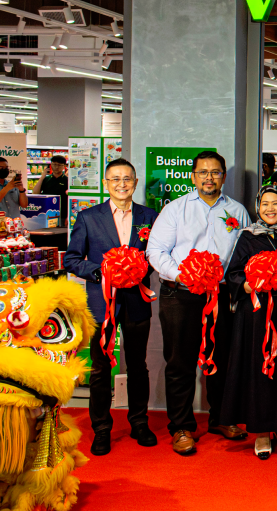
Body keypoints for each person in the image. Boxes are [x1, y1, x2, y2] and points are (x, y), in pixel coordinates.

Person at [146, 150, 252, 456]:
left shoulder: (237, 210)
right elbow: (156, 251)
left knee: (223, 359)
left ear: (223, 176)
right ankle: (181, 426)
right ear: (193, 176)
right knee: (180, 361)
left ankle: (222, 418)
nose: (209, 177)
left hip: (222, 294)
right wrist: (183, 275)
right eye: (203, 172)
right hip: (181, 295)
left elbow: (243, 253)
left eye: (215, 172)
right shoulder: (175, 210)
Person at [64, 158, 158, 456]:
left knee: (138, 365)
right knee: (101, 368)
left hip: (136, 301)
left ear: (135, 182)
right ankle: (101, 428)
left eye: (127, 178)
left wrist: (138, 270)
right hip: (101, 304)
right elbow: (72, 259)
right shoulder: (89, 217)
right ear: (106, 183)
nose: (122, 184)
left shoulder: (149, 216)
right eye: (115, 178)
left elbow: (157, 256)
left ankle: (139, 422)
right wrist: (102, 272)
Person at [221, 186, 277, 460]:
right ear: (257, 207)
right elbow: (233, 273)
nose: (270, 209)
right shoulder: (248, 237)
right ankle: (262, 431)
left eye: (276, 203)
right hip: (257, 314)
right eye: (265, 204)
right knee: (259, 369)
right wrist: (248, 286)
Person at [32, 154, 68, 226]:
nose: (56, 167)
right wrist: (42, 176)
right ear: (51, 165)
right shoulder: (46, 179)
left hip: (62, 214)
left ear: (64, 166)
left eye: (59, 165)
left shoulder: (67, 180)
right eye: (54, 164)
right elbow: (35, 192)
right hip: (46, 213)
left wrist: (68, 216)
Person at [0, 157, 28, 223]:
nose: (4, 170)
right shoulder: (9, 186)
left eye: (6, 168)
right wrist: (6, 188)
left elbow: (24, 205)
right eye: (1, 168)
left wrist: (21, 190)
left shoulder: (12, 185)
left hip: (15, 225)